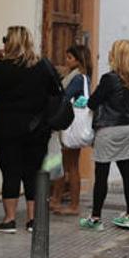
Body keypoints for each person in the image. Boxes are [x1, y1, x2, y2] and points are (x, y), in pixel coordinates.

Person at [0, 26, 57, 233]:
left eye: (5, 39)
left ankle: (9, 219)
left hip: (7, 131)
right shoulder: (43, 66)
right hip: (37, 130)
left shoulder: (1, 69)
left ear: (11, 43)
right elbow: (56, 90)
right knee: (32, 173)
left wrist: (0, 61)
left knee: (11, 172)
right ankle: (33, 220)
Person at [80, 40, 129, 231]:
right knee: (127, 173)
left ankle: (96, 218)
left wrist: (85, 101)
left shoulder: (109, 79)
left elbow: (93, 102)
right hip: (126, 128)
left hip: (107, 129)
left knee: (102, 174)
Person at [51, 44, 93, 215]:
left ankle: (73, 205)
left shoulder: (77, 79)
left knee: (71, 166)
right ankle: (56, 199)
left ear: (78, 59)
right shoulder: (81, 77)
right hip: (72, 127)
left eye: (69, 58)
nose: (66, 60)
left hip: (71, 127)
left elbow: (65, 97)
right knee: (64, 164)